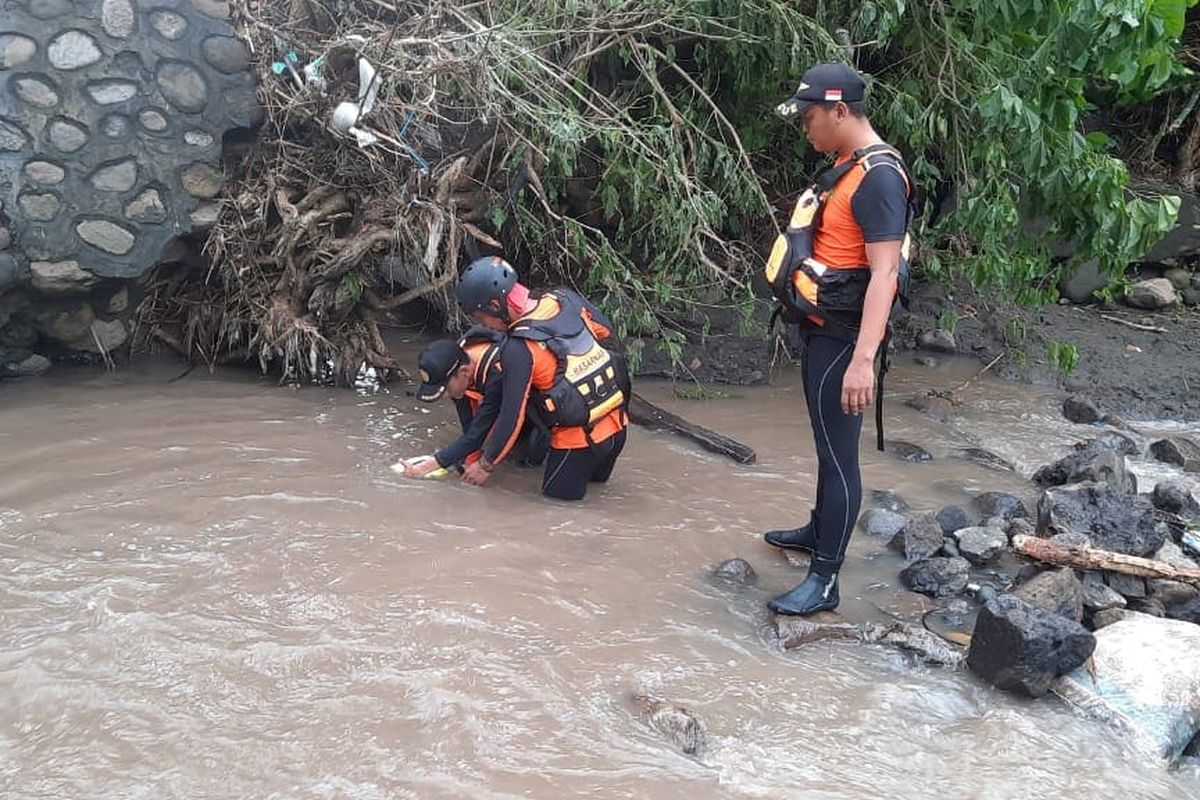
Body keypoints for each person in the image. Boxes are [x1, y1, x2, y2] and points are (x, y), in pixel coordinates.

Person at [762, 62, 915, 615]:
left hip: (847, 340)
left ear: (840, 111)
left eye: (809, 118)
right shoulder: (849, 166)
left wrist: (863, 361)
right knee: (827, 448)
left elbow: (886, 273)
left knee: (839, 454)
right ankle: (818, 529)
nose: (806, 128)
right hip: (824, 330)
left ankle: (825, 580)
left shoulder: (877, 178)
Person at [453, 256, 630, 501]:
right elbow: (607, 334)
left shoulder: (518, 347)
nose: (486, 326)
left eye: (481, 318)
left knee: (556, 510)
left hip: (577, 444)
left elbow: (511, 417)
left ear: (495, 305)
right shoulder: (564, 299)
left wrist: (484, 465)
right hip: (618, 428)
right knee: (598, 502)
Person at [403, 326, 547, 478]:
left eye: (445, 389)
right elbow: (470, 428)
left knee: (530, 460)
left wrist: (427, 467)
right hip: (517, 397)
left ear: (464, 372)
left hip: (549, 404)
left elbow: (498, 424)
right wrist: (469, 460)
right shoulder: (455, 361)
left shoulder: (497, 371)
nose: (445, 395)